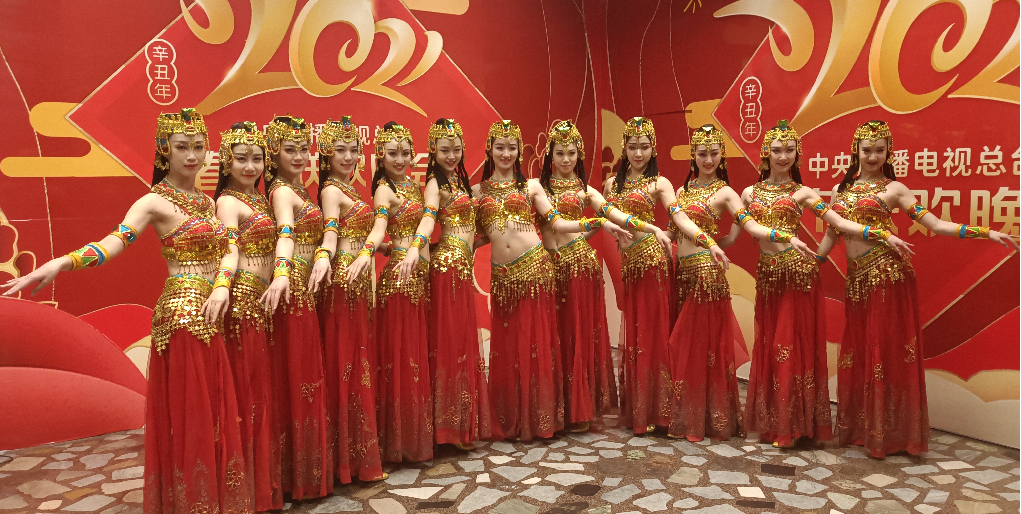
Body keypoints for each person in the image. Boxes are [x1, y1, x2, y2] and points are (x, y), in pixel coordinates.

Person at [3, 109, 251, 514]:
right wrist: (63, 262)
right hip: (183, 314)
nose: (192, 156)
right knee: (192, 413)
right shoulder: (153, 201)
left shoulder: (207, 203)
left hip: (213, 310)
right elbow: (112, 243)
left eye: (198, 147)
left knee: (214, 410)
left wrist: (223, 284)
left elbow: (229, 251)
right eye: (182, 147)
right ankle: (192, 504)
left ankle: (211, 501)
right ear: (164, 151)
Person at [818, 120, 1018, 458]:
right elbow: (830, 235)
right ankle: (863, 429)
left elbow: (935, 224)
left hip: (887, 275)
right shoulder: (840, 191)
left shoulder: (895, 190)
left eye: (879, 150)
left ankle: (889, 435)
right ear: (856, 151)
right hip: (857, 281)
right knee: (861, 352)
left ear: (888, 152)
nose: (872, 156)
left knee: (885, 353)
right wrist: (813, 261)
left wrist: (986, 233)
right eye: (867, 150)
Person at [740, 119, 911, 448]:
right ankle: (772, 422)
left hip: (797, 275)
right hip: (768, 277)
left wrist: (878, 233)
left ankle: (792, 427)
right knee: (768, 346)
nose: (783, 156)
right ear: (765, 153)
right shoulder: (748, 193)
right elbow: (742, 229)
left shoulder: (804, 193)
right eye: (777, 150)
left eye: (790, 150)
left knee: (789, 347)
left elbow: (836, 222)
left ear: (798, 154)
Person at [666, 124, 812, 442]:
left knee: (696, 347)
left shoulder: (727, 193)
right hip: (682, 273)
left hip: (707, 276)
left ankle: (699, 421)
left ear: (722, 156)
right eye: (702, 154)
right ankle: (693, 416)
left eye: (714, 154)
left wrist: (783, 235)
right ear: (693, 156)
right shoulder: (681, 192)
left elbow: (749, 228)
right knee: (688, 347)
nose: (708, 160)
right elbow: (673, 231)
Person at [473, 120, 604, 441]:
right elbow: (474, 236)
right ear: (490, 150)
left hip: (534, 270)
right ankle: (511, 417)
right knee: (507, 347)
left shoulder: (531, 186)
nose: (506, 154)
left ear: (520, 151)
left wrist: (597, 222)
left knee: (536, 346)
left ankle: (541, 418)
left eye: (512, 148)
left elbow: (556, 222)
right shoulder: (477, 192)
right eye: (500, 147)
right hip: (503, 278)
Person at [602, 116, 729, 436]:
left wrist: (708, 241)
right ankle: (640, 410)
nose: (638, 153)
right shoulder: (611, 185)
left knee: (654, 339)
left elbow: (680, 218)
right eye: (633, 147)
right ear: (624, 148)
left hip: (654, 265)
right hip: (630, 268)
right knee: (636, 338)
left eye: (645, 147)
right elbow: (605, 218)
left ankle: (660, 413)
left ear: (653, 149)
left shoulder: (660, 184)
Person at [346, 122, 433, 463]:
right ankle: (401, 443)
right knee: (403, 361)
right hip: (400, 279)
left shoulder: (413, 186)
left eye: (405, 153)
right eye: (392, 154)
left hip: (417, 276)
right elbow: (380, 226)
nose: (400, 160)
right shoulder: (384, 190)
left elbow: (417, 225)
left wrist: (407, 247)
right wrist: (368, 252)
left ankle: (415, 437)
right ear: (380, 156)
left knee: (415, 359)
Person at [211, 122, 282, 510]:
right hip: (241, 299)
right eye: (241, 159)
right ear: (226, 162)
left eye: (257, 159)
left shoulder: (261, 199)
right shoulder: (227, 202)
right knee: (246, 391)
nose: (250, 166)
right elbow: (230, 248)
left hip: (261, 301)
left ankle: (260, 483)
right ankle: (243, 490)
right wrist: (223, 285)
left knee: (259, 389)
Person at [261, 114, 331, 498]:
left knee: (302, 379)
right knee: (297, 378)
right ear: (274, 154)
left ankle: (301, 472)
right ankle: (294, 477)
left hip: (304, 288)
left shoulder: (301, 190)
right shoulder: (282, 193)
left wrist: (322, 254)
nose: (300, 156)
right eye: (290, 150)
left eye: (304, 149)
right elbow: (285, 233)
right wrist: (283, 274)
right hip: (291, 290)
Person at [313, 116, 386, 481]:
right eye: (340, 150)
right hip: (342, 279)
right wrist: (325, 255)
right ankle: (346, 459)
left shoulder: (351, 190)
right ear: (327, 154)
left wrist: (384, 248)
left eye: (354, 150)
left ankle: (355, 454)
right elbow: (330, 232)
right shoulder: (331, 191)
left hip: (358, 278)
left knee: (358, 362)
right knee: (345, 361)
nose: (348, 157)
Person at [537, 120, 621, 432]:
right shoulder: (539, 189)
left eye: (571, 153)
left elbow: (606, 212)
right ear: (551, 155)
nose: (566, 159)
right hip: (548, 266)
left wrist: (621, 221)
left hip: (579, 266)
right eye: (560, 153)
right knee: (554, 335)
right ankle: (554, 406)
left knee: (577, 332)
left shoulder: (585, 190)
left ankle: (579, 409)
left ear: (579, 154)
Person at [423, 118, 501, 449]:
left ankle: (459, 425)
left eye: (456, 150)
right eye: (444, 150)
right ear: (433, 151)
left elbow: (470, 232)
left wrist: (494, 236)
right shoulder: (434, 184)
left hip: (461, 266)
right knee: (450, 343)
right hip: (447, 268)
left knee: (461, 342)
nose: (451, 156)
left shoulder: (459, 182)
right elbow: (428, 219)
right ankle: (447, 430)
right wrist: (417, 246)